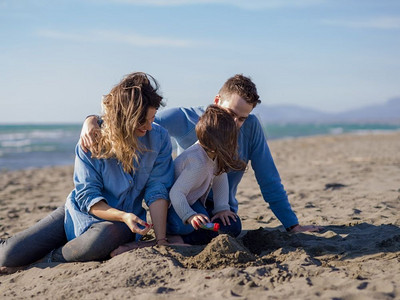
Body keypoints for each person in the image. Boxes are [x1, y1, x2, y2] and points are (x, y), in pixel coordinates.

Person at [80, 74, 323, 240]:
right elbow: (133, 122)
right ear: (217, 101)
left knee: (232, 228)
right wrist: (91, 121)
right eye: (231, 113)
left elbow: (268, 177)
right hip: (180, 204)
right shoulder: (183, 118)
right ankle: (176, 236)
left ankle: (182, 239)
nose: (236, 123)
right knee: (190, 225)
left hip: (219, 208)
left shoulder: (251, 128)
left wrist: (292, 225)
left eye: (243, 118)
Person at [0, 72, 174, 273]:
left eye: (152, 118)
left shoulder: (159, 137)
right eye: (142, 121)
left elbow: (157, 189)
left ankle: (42, 260)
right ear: (125, 118)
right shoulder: (91, 140)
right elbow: (87, 198)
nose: (149, 127)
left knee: (107, 234)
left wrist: (161, 240)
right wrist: (123, 215)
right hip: (76, 214)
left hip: (118, 226)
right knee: (8, 254)